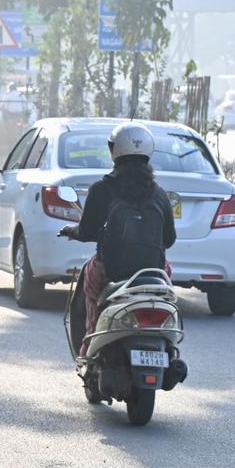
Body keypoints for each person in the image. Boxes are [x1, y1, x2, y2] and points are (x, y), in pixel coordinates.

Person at [60, 122, 176, 352]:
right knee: (167, 298)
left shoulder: (101, 189)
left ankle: (89, 348)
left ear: (113, 150)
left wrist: (71, 231)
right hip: (154, 270)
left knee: (91, 291)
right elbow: (169, 239)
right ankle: (168, 346)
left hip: (110, 270)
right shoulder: (159, 193)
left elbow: (87, 232)